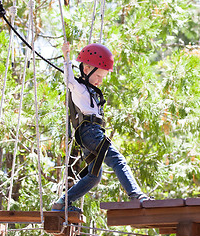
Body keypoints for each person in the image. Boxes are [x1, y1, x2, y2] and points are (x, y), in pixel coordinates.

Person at [52, 42, 150, 213]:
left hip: (92, 133)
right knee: (118, 160)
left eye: (103, 78)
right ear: (87, 68)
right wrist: (66, 56)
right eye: (99, 76)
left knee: (94, 176)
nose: (100, 81)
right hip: (90, 132)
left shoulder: (91, 91)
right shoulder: (79, 88)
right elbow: (68, 79)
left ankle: (62, 202)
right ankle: (136, 194)